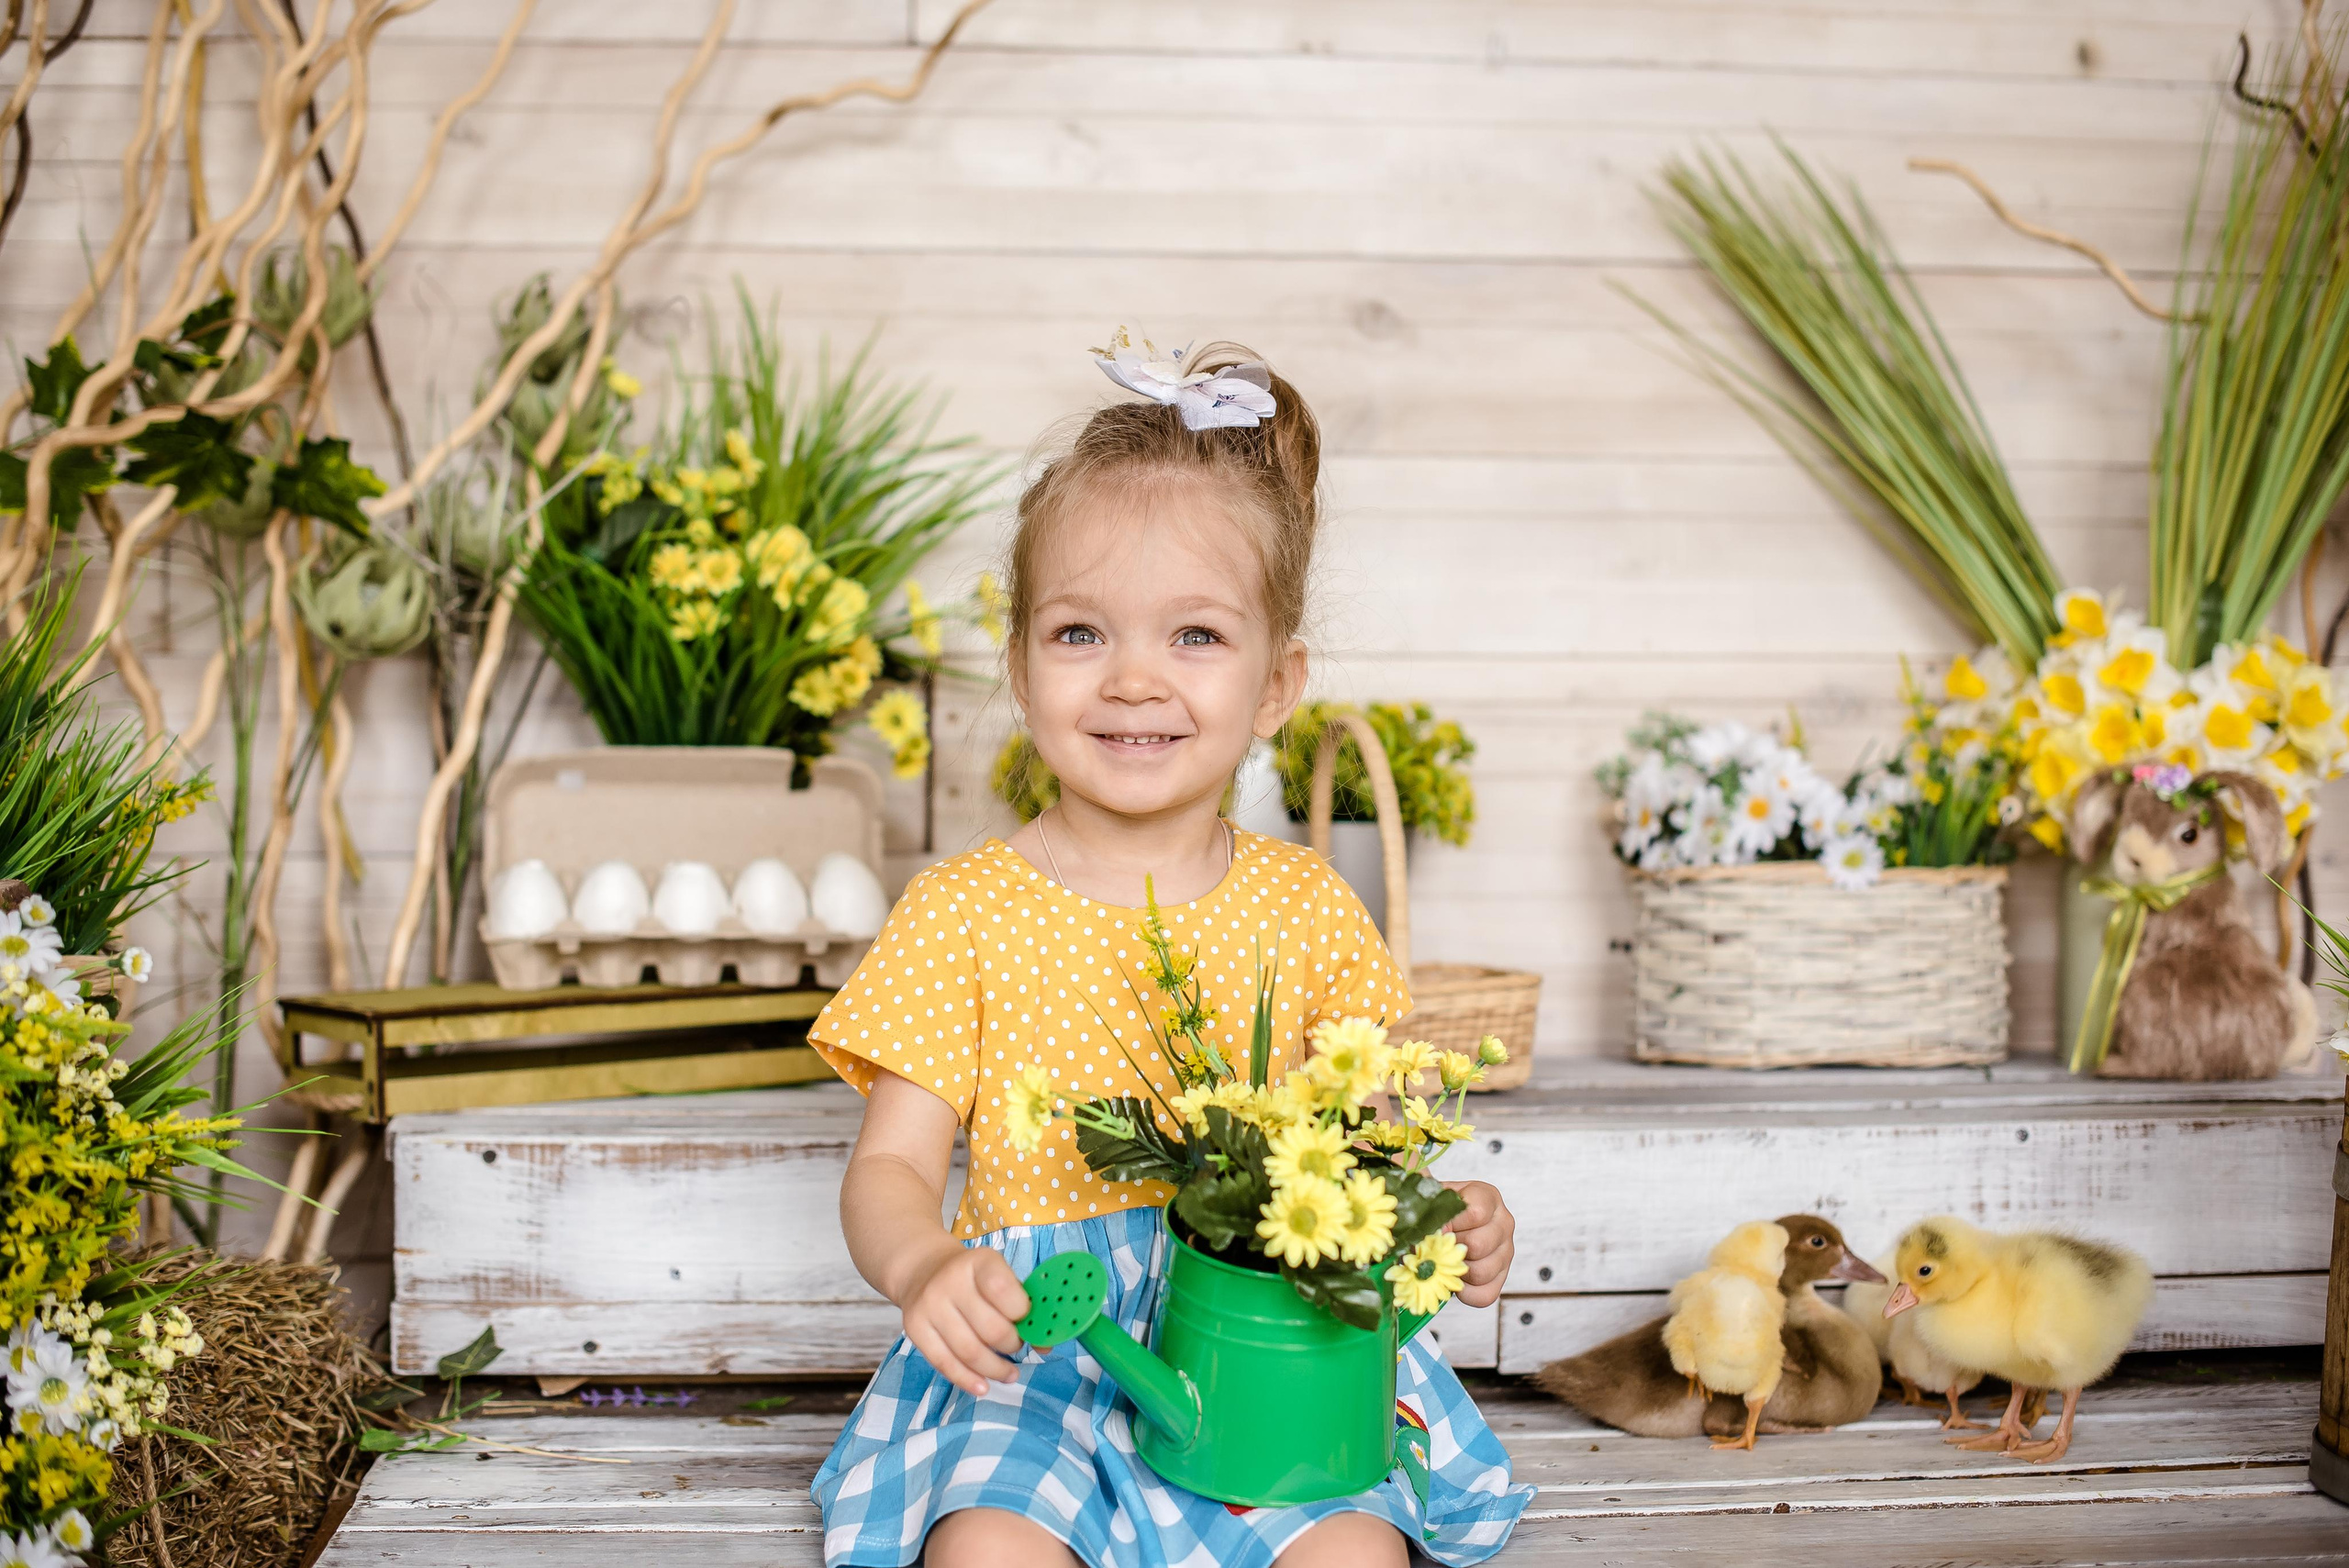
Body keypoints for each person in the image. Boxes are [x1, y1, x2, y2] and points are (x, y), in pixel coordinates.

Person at [809, 331, 1531, 1568]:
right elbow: (890, 1167)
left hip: (1270, 1347)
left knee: (1351, 1553)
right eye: (1081, 633)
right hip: (1039, 1358)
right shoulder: (961, 909)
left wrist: (1435, 1218)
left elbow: (1357, 1156)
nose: (1135, 678)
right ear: (1023, 670)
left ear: (1274, 683)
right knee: (988, 1549)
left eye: (1194, 636)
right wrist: (926, 1261)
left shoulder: (1308, 910)